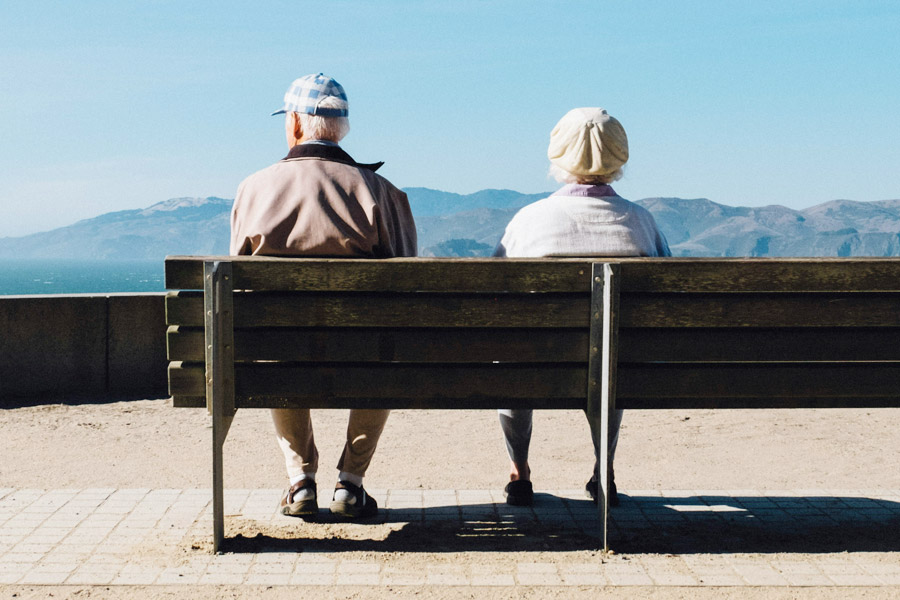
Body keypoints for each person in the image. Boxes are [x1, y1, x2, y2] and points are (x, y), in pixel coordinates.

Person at [230, 73, 417, 519]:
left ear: (295, 123)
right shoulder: (382, 193)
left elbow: (236, 282)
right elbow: (409, 281)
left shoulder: (254, 188)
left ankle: (300, 482)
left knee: (275, 347)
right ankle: (350, 483)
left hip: (282, 351)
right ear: (341, 129)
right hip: (364, 352)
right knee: (384, 350)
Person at [494, 107, 670, 507]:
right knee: (609, 355)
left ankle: (520, 473)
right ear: (620, 156)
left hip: (537, 363)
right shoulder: (641, 222)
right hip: (618, 366)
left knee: (513, 358)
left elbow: (496, 297)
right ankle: (603, 470)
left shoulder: (529, 220)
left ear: (557, 156)